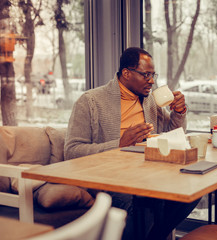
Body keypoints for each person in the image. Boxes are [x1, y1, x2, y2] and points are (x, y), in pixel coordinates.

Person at [64, 47, 199, 240]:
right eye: (146, 75)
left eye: (153, 75)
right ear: (126, 73)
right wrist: (119, 144)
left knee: (191, 191)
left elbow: (172, 135)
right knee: (143, 206)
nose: (152, 81)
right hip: (108, 177)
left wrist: (179, 112)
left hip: (148, 171)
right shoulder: (90, 101)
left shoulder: (150, 101)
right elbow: (71, 151)